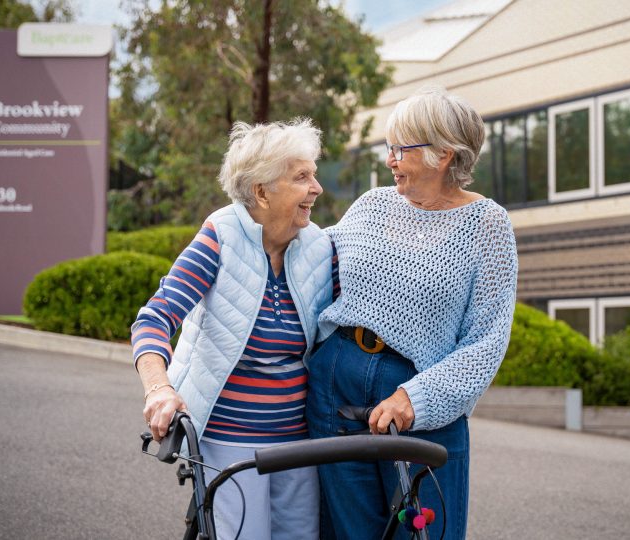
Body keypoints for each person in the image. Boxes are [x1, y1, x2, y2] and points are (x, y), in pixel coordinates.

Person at [306, 87, 519, 539]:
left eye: (401, 149)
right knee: (345, 532)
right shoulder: (371, 205)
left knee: (423, 534)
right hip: (337, 383)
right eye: (389, 148)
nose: (390, 160)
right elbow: (310, 261)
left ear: (443, 154)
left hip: (420, 399)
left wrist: (415, 399)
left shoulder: (488, 226)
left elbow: (486, 342)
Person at [132, 118, 336, 540]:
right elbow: (156, 317)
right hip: (229, 438)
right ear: (261, 191)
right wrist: (159, 389)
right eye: (302, 177)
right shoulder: (221, 236)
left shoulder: (318, 247)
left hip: (299, 440)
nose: (317, 188)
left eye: (314, 175)